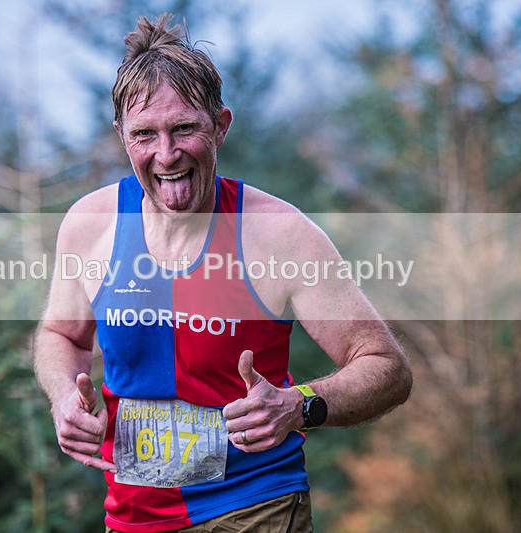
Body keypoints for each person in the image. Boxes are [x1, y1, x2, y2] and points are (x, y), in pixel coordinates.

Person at [33, 13, 412, 533]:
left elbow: (387, 368)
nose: (166, 154)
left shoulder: (278, 234)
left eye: (184, 128)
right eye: (144, 134)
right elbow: (60, 334)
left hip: (255, 505)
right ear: (122, 136)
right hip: (133, 516)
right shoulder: (89, 225)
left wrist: (297, 405)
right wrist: (63, 399)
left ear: (220, 126)